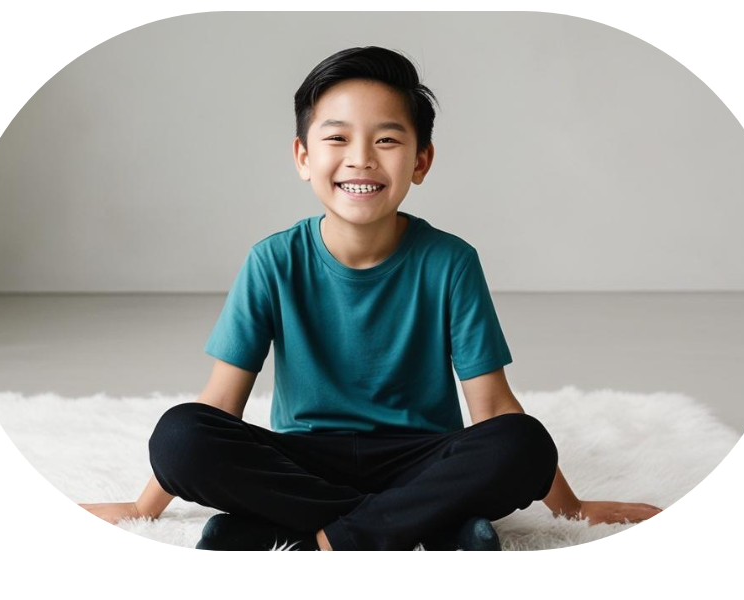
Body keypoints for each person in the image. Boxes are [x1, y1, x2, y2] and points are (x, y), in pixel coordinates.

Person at [78, 46, 663, 554]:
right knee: (182, 434)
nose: (361, 158)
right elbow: (219, 405)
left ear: (421, 161)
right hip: (302, 458)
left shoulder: (450, 261)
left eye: (386, 140)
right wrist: (142, 506)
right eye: (337, 138)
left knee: (523, 444)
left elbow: (492, 405)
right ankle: (419, 526)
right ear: (304, 157)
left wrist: (572, 508)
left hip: (421, 456)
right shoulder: (272, 260)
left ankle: (306, 534)